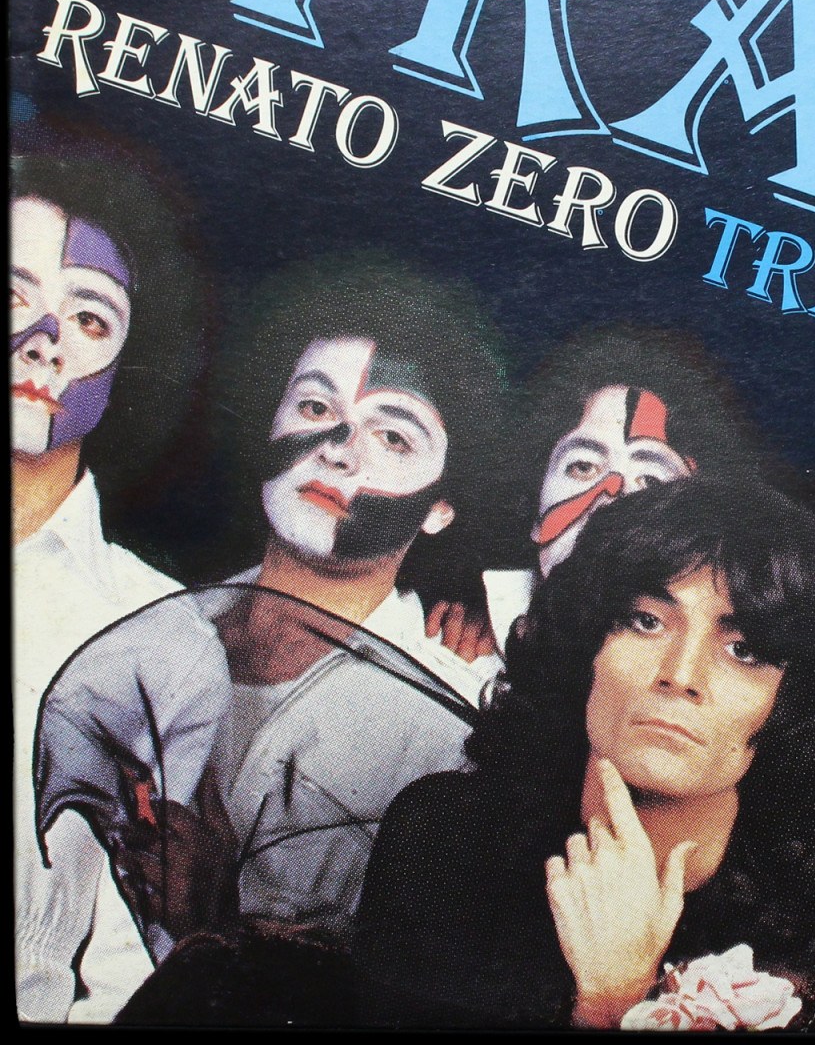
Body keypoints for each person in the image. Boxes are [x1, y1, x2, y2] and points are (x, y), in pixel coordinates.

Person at [35, 258, 505, 973]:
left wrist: (219, 926)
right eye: (316, 408)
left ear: (442, 506)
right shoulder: (142, 619)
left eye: (394, 438)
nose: (339, 450)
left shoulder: (457, 718)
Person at [354, 478, 815, 1030]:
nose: (681, 675)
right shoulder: (442, 836)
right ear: (585, 645)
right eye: (646, 621)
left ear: (791, 701)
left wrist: (614, 1002)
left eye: (744, 650)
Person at [12, 152, 201, 1023]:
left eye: (90, 317)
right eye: (13, 294)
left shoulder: (152, 627)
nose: (44, 338)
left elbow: (136, 956)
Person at [432, 324, 766, 670]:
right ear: (534, 507)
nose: (612, 494)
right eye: (583, 466)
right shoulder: (445, 646)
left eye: (651, 481)